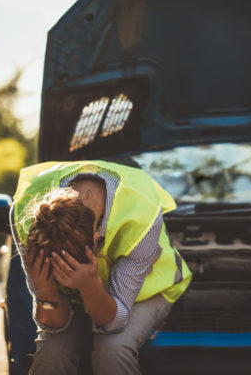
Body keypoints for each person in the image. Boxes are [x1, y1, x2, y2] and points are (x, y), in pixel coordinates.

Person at [10, 159, 192, 375]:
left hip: (147, 291)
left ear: (96, 241)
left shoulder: (143, 213)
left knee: (113, 348)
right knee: (53, 350)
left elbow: (113, 323)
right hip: (76, 296)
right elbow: (54, 326)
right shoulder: (25, 216)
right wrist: (46, 291)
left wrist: (91, 286)